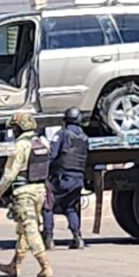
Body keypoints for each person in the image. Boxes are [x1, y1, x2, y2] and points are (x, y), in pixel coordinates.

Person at [0, 112, 54, 277]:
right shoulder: (42, 142)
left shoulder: (20, 146)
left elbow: (10, 174)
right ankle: (15, 265)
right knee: (23, 230)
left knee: (30, 229)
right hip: (40, 190)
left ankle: (45, 265)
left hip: (24, 192)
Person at [43, 107, 90, 250]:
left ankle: (49, 239)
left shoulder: (62, 134)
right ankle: (78, 237)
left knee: (48, 206)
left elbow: (52, 155)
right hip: (78, 179)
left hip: (61, 178)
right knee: (70, 208)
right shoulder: (84, 138)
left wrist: (43, 172)